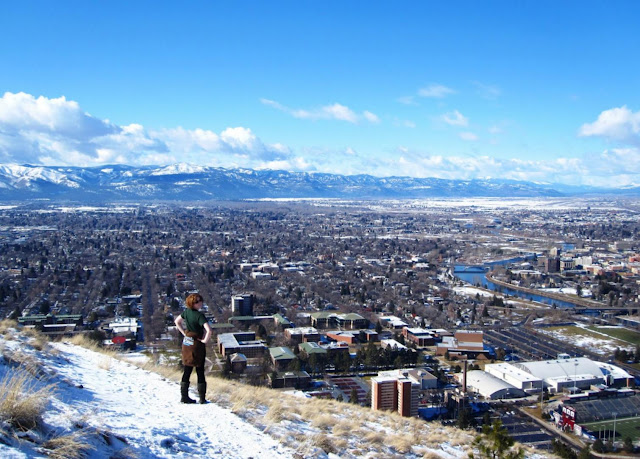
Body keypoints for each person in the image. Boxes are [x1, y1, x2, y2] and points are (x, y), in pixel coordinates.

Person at [174, 293, 212, 404]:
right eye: (198, 301)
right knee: (200, 370)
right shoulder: (199, 316)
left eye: (200, 300)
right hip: (197, 343)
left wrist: (184, 333)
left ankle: (184, 396)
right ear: (193, 303)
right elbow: (209, 330)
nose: (200, 303)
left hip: (187, 342)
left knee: (187, 369)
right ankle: (202, 398)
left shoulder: (186, 312)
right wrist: (205, 340)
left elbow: (177, 322)